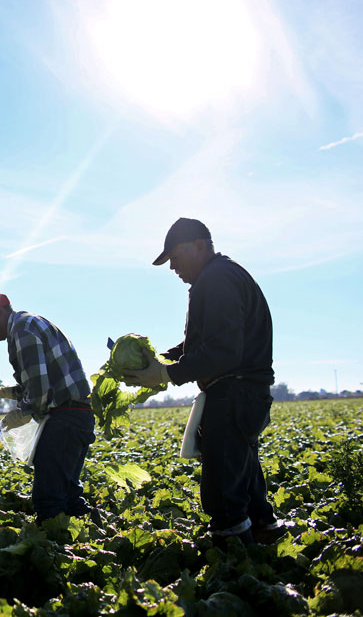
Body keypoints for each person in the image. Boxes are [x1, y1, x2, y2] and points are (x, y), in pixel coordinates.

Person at [123, 218, 283, 546]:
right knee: (242, 471)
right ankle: (263, 532)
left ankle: (232, 559)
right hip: (245, 393)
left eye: (175, 258)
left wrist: (167, 374)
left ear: (199, 246)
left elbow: (223, 351)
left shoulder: (217, 279)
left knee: (223, 486)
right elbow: (204, 343)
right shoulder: (222, 276)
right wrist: (161, 361)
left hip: (234, 393)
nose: (172, 268)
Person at [0, 291, 98, 525]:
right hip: (77, 414)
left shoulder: (22, 330)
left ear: (0, 311)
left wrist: (23, 413)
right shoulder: (29, 324)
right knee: (67, 493)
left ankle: (57, 551)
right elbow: (37, 384)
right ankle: (94, 537)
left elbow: (38, 390)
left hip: (64, 418)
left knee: (49, 499)